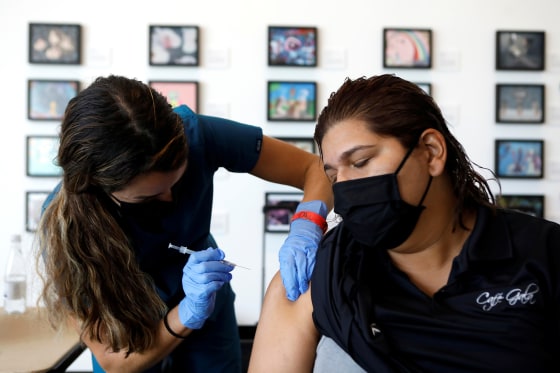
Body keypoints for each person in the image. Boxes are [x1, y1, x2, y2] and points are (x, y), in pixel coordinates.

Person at [248, 74, 560, 372]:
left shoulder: (544, 254)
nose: (343, 187)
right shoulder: (318, 276)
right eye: (333, 176)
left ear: (431, 152)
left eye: (360, 162)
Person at [36, 75, 332, 373]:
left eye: (177, 182)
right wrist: (187, 313)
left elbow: (316, 169)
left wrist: (307, 224)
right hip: (127, 327)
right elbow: (115, 361)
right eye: (147, 197)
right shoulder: (66, 229)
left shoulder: (197, 134)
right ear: (99, 187)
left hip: (207, 298)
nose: (169, 200)